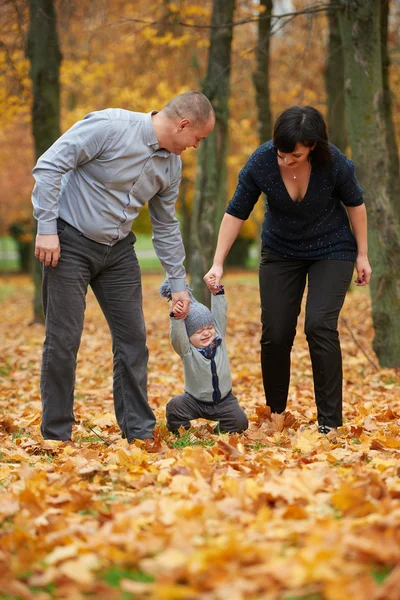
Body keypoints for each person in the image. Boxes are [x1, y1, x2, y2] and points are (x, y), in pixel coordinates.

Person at [32, 91, 215, 444]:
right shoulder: (110, 127)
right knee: (64, 339)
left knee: (133, 340)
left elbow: (164, 224)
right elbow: (50, 165)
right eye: (197, 138)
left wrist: (178, 281)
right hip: (69, 243)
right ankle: (56, 434)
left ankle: (139, 432)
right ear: (183, 124)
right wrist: (46, 228)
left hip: (118, 253)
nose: (195, 145)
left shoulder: (171, 165)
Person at [204, 106, 371, 434]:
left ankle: (330, 423)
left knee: (320, 326)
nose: (284, 160)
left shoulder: (334, 162)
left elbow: (356, 205)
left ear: (312, 146)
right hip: (281, 251)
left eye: (293, 155)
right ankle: (276, 414)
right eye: (281, 152)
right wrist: (218, 262)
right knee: (276, 332)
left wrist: (362, 255)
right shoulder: (262, 161)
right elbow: (237, 211)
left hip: (332, 249)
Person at [160, 280, 248, 434]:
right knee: (175, 406)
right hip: (194, 401)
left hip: (224, 401)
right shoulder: (186, 349)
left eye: (209, 328)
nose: (206, 333)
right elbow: (177, 337)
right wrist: (176, 317)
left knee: (239, 421)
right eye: (199, 332)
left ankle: (219, 431)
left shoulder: (218, 338)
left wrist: (217, 293)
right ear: (188, 336)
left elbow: (220, 313)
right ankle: (181, 432)